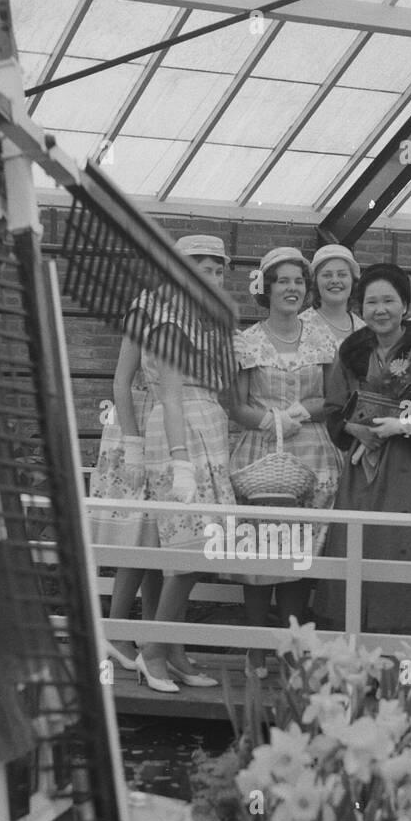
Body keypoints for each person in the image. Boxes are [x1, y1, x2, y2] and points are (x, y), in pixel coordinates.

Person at [321, 262, 411, 637]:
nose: (379, 310)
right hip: (362, 467)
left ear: (404, 304)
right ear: (360, 307)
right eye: (370, 302)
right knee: (358, 547)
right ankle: (355, 656)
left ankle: (406, 662)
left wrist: (406, 425)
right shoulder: (351, 351)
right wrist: (355, 430)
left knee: (406, 546)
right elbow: (333, 408)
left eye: (388, 300)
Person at [228, 247, 341, 676]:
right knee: (261, 556)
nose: (292, 288)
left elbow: (333, 398)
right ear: (267, 288)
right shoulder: (247, 340)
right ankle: (256, 648)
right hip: (262, 454)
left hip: (313, 455)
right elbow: (237, 406)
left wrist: (299, 413)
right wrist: (271, 419)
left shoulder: (321, 340)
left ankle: (293, 652)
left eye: (298, 281)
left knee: (300, 558)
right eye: (283, 281)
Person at [137, 235, 237, 693]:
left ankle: (173, 650)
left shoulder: (204, 322)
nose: (211, 277)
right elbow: (171, 395)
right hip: (181, 434)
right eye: (202, 268)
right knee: (186, 549)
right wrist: (180, 462)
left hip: (209, 430)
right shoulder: (169, 320)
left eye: (218, 270)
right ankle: (152, 652)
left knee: (199, 550)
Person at [87, 292, 163, 673]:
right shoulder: (145, 308)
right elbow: (121, 382)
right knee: (138, 532)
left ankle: (152, 638)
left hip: (170, 426)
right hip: (137, 428)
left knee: (159, 537)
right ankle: (115, 632)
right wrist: (134, 444)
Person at [301, 243, 367, 349]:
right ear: (315, 281)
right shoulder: (298, 328)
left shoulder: (365, 332)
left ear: (352, 280)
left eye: (342, 274)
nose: (335, 280)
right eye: (327, 275)